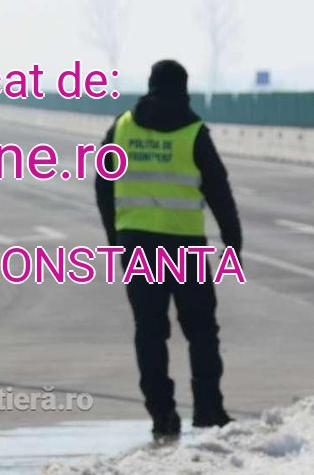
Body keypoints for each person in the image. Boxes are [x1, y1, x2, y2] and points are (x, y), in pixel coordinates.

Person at [95, 59, 242, 442]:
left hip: (137, 245)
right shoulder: (194, 132)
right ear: (184, 88)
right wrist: (233, 240)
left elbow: (102, 184)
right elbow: (219, 191)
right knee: (201, 330)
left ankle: (162, 415)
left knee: (149, 332)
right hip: (184, 246)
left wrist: (115, 235)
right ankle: (208, 410)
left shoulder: (122, 128)